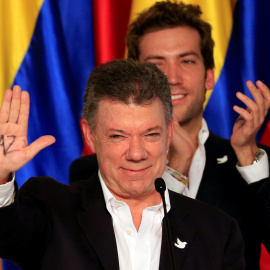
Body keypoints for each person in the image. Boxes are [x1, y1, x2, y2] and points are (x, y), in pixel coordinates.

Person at [69, 2, 270, 269]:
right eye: (156, 63)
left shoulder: (251, 163)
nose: (172, 77)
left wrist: (245, 154)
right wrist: (176, 169)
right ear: (134, 77)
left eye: (186, 61)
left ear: (209, 75)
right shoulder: (92, 171)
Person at [0, 59, 245, 269]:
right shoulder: (51, 211)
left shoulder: (218, 231)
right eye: (118, 136)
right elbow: (7, 233)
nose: (137, 154)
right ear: (90, 134)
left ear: (169, 133)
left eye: (151, 135)